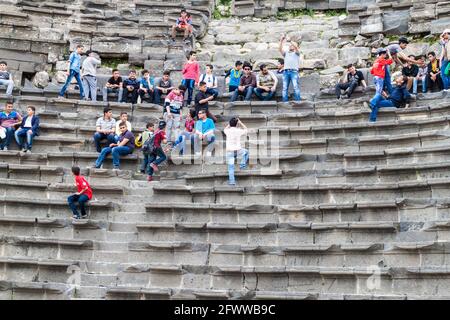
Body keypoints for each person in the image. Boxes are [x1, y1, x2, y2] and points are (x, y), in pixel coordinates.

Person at [224, 117, 248, 186]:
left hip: (230, 151)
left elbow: (225, 128)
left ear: (230, 124)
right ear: (236, 124)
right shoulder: (238, 130)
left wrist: (230, 124)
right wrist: (240, 123)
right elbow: (246, 129)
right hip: (238, 150)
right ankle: (242, 164)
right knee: (246, 152)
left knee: (231, 168)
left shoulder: (227, 131)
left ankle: (232, 182)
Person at [279, 35, 301, 102]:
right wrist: (281, 40)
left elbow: (296, 47)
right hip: (285, 72)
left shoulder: (297, 53)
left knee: (295, 87)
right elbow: (280, 49)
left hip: (294, 72)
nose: (290, 46)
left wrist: (290, 41)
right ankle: (285, 102)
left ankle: (298, 101)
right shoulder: (286, 53)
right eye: (290, 45)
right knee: (285, 88)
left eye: (292, 45)